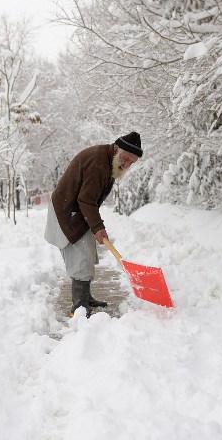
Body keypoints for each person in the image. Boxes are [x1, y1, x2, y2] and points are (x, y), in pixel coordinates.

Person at [44, 131, 143, 316]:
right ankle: (79, 307)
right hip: (67, 212)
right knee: (80, 257)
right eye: (126, 158)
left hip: (77, 211)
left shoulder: (107, 160)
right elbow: (86, 200)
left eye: (131, 162)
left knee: (87, 254)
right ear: (116, 149)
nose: (127, 164)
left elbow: (88, 200)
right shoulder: (99, 164)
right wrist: (98, 227)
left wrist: (96, 225)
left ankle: (86, 297)